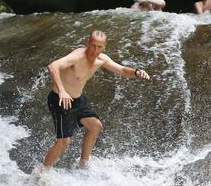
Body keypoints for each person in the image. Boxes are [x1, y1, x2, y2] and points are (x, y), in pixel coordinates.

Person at [42, 30, 150, 169]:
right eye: (93, 45)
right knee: (64, 141)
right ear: (88, 43)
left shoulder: (102, 59)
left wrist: (136, 72)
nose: (95, 50)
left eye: (99, 47)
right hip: (60, 99)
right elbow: (53, 66)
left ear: (104, 46)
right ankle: (42, 172)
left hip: (78, 100)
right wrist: (62, 90)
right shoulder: (78, 55)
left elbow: (122, 70)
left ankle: (83, 164)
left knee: (95, 126)